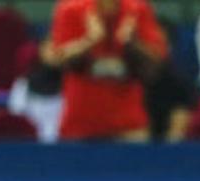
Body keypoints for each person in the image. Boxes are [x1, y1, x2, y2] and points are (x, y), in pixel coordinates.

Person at [50, 0, 167, 141]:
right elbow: (59, 60)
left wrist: (133, 44)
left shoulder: (138, 9)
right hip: (79, 123)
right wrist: (89, 41)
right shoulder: (70, 9)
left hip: (129, 123)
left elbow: (157, 63)